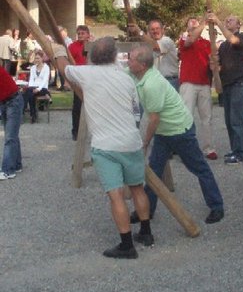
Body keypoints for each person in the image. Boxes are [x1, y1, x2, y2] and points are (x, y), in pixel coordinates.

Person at [53, 37, 153, 259]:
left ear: (91, 57)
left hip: (106, 145)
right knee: (137, 188)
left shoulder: (86, 73)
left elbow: (63, 69)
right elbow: (137, 110)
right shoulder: (126, 78)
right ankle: (146, 233)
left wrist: (59, 50)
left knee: (116, 195)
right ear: (114, 56)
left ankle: (127, 246)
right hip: (131, 141)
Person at [127, 44, 224, 224]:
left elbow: (154, 120)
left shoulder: (151, 84)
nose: (127, 61)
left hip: (180, 131)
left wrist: (145, 143)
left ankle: (217, 206)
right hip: (164, 132)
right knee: (154, 172)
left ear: (142, 65)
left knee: (199, 168)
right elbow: (117, 75)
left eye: (130, 59)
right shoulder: (135, 74)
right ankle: (147, 211)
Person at [207, 13, 243, 164]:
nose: (227, 21)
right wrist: (215, 65)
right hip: (227, 84)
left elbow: (233, 39)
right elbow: (220, 65)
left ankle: (240, 152)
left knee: (237, 119)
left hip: (239, 82)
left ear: (238, 25)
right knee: (229, 120)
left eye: (231, 20)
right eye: (227, 19)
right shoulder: (224, 45)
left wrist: (217, 21)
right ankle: (235, 148)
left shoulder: (242, 38)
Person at [179, 17, 217, 160]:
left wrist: (213, 65)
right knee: (186, 117)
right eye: (191, 21)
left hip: (204, 83)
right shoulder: (184, 39)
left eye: (196, 21)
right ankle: (186, 149)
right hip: (188, 83)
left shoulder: (207, 43)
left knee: (207, 118)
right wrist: (204, 22)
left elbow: (210, 62)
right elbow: (191, 40)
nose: (194, 22)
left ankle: (208, 148)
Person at [0, 65, 23, 180]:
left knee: (10, 137)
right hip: (4, 102)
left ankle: (8, 170)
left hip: (13, 101)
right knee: (12, 136)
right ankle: (17, 164)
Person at [68, 25, 91, 140]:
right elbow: (69, 61)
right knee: (77, 106)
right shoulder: (72, 46)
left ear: (88, 34)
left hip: (91, 79)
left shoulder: (93, 46)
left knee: (92, 106)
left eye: (83, 33)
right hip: (78, 79)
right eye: (79, 33)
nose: (81, 35)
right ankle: (75, 131)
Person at [147, 19, 179, 91]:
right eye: (152, 29)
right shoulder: (150, 45)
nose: (155, 31)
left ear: (162, 30)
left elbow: (156, 47)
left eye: (157, 28)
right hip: (156, 81)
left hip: (170, 81)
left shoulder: (166, 40)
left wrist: (140, 33)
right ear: (149, 32)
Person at [22, 50, 51, 123]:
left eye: (38, 58)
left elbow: (45, 80)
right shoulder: (33, 68)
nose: (36, 60)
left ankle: (24, 109)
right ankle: (33, 115)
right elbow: (31, 79)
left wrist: (38, 89)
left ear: (42, 58)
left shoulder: (46, 67)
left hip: (43, 88)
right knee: (30, 93)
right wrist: (32, 87)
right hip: (33, 87)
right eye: (35, 58)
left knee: (28, 93)